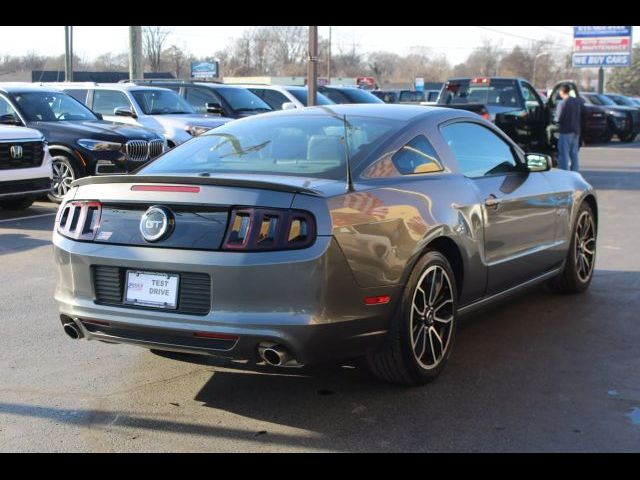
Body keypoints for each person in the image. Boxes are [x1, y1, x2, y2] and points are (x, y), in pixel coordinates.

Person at [555, 84, 582, 171]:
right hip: (576, 131)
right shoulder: (577, 102)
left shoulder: (563, 103)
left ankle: (565, 171)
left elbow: (558, 118)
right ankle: (575, 171)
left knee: (564, 154)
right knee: (574, 154)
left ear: (562, 91)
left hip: (565, 131)